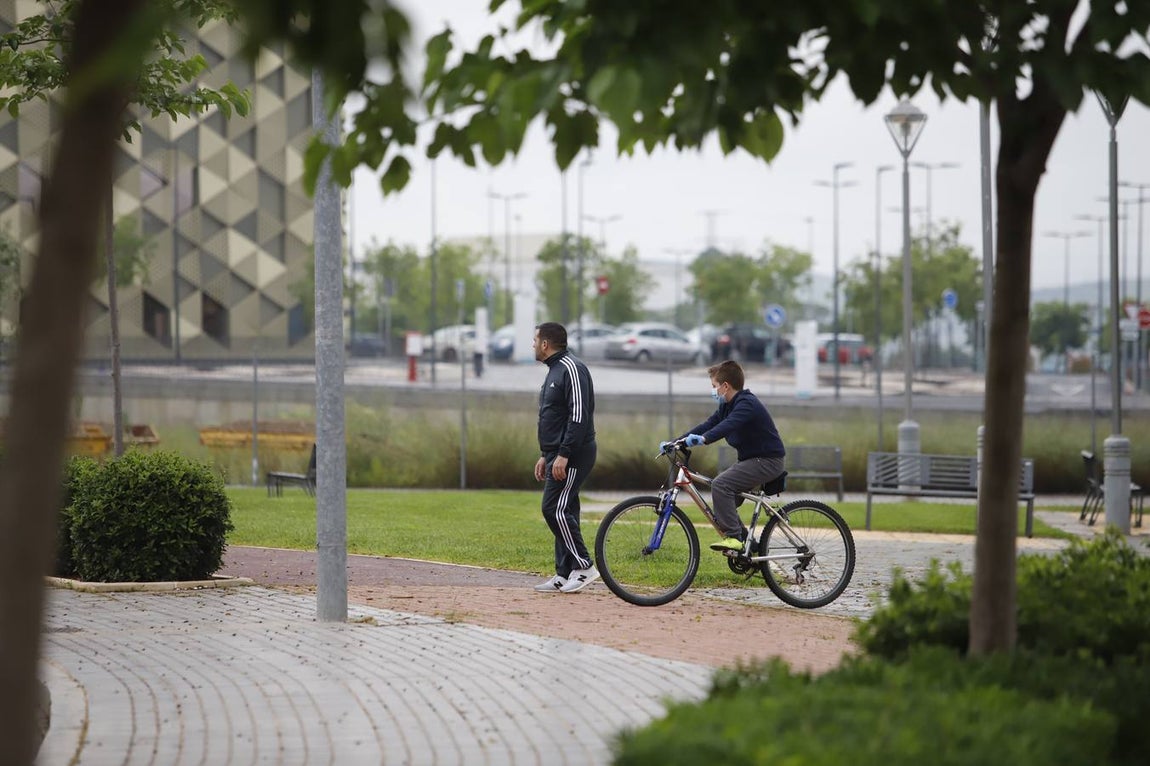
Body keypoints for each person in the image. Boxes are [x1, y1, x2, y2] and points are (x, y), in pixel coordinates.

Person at [667, 359, 785, 552]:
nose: (713, 391)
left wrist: (703, 439)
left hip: (768, 461)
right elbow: (709, 424)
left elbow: (726, 426)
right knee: (723, 499)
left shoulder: (747, 404)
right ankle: (750, 547)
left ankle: (734, 539)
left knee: (721, 485)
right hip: (752, 461)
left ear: (725, 386)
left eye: (714, 386)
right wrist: (676, 442)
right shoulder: (726, 406)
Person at [532, 322, 599, 593]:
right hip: (555, 454)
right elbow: (554, 417)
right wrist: (545, 454)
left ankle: (584, 566)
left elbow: (578, 417)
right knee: (566, 509)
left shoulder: (572, 369)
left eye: (535, 340)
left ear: (546, 344)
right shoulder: (554, 371)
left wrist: (562, 454)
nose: (533, 345)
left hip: (574, 454)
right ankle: (564, 572)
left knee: (554, 509)